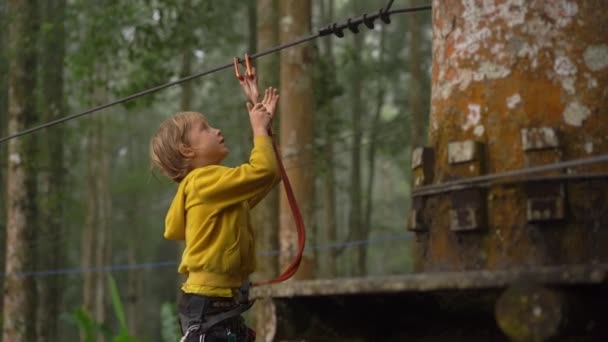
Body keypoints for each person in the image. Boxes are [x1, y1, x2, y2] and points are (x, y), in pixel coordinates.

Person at [149, 73, 280, 341]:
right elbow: (264, 172)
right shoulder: (202, 181)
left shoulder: (217, 191)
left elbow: (270, 175)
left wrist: (264, 130)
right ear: (187, 149)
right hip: (209, 304)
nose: (217, 130)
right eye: (205, 128)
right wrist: (257, 130)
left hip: (218, 303)